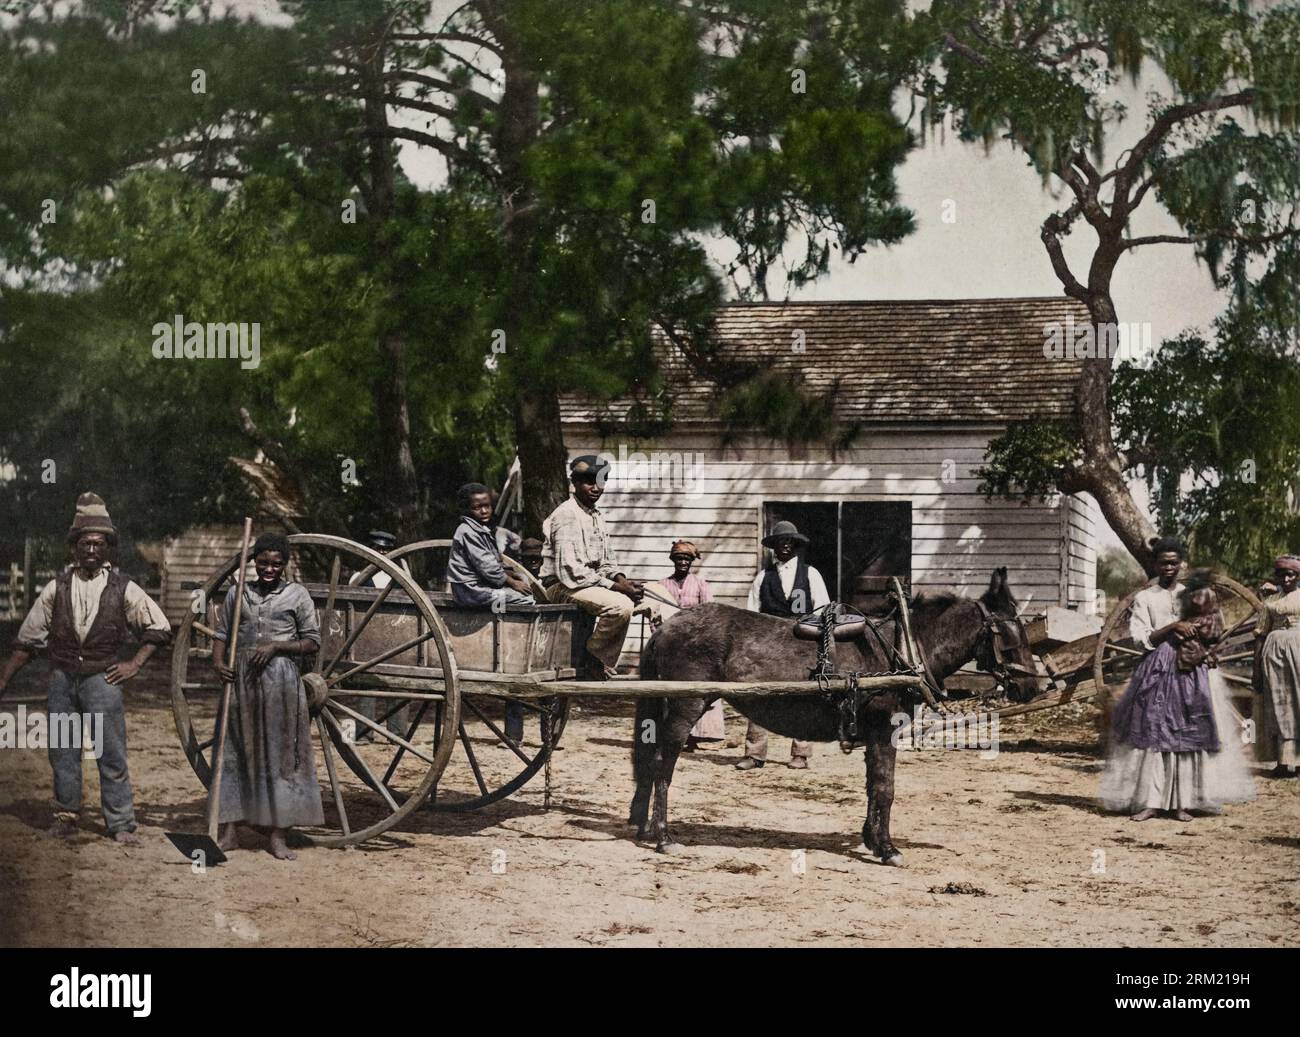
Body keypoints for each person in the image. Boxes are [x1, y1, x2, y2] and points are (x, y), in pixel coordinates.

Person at [0, 493, 171, 842]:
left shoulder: (124, 588)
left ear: (107, 548)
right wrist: (3, 680)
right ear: (74, 548)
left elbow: (160, 628)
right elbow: (27, 641)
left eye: (98, 544)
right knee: (63, 751)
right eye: (84, 544)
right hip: (63, 680)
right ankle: (66, 815)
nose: (91, 550)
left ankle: (121, 824)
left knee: (110, 753)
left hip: (102, 681)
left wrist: (134, 663)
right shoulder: (56, 588)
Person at [1100, 546, 1254, 820]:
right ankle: (1152, 801)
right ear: (1155, 565)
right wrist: (1173, 627)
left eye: (1173, 563)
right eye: (1163, 563)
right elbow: (1142, 637)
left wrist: (1204, 640)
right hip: (1158, 665)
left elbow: (1213, 627)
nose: (1168, 568)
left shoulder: (1194, 593)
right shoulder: (1146, 597)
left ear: (1181, 564)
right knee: (1154, 728)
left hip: (1190, 668)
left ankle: (1183, 801)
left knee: (1186, 728)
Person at [211, 532, 323, 860]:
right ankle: (230, 831)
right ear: (254, 563)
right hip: (242, 680)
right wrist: (218, 662)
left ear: (285, 565)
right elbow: (222, 633)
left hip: (281, 681)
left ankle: (278, 837)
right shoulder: (238, 593)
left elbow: (311, 641)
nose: (269, 569)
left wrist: (276, 646)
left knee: (280, 756)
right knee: (235, 751)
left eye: (276, 564)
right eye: (263, 563)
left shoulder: (297, 595)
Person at [736, 520, 829, 770]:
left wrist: (814, 638)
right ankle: (755, 754)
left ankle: (801, 753)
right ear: (774, 547)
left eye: (789, 542)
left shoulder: (810, 574)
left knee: (804, 698)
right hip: (769, 645)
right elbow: (751, 615)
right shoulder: (762, 578)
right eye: (780, 542)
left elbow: (822, 610)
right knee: (759, 695)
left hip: (803, 643)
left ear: (796, 545)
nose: (785, 546)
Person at [541, 456, 643, 680]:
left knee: (640, 600)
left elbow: (607, 560)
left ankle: (596, 657)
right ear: (575, 483)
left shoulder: (595, 515)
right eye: (589, 481)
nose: (596, 488)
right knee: (620, 607)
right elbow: (570, 572)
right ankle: (591, 658)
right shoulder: (567, 515)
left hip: (583, 584)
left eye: (601, 481)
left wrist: (622, 580)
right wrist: (616, 588)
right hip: (561, 586)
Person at [448, 482, 536, 739]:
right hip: (471, 591)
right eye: (477, 507)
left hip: (481, 587)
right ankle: (510, 644)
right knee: (524, 601)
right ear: (467, 510)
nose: (484, 510)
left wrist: (514, 575)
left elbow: (494, 563)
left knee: (524, 588)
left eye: (486, 505)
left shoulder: (481, 529)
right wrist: (510, 581)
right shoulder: (467, 531)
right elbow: (487, 568)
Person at [656, 540, 724, 749]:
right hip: (670, 645)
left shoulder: (701, 584)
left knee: (697, 687)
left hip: (695, 646)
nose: (682, 562)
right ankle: (673, 735)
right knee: (670, 690)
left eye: (686, 558)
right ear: (673, 560)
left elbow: (710, 614)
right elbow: (656, 616)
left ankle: (697, 735)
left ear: (692, 561)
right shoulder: (662, 585)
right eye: (679, 558)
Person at [350, 529, 406, 743]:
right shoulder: (358, 577)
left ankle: (397, 733)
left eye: (386, 549)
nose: (381, 553)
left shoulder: (400, 576)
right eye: (377, 549)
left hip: (397, 636)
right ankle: (364, 734)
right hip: (367, 637)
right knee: (366, 683)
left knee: (400, 681)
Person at [1254, 554, 1300, 778]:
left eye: (1291, 573)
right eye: (1282, 574)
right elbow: (1260, 635)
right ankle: (1283, 762)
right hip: (1275, 656)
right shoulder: (1270, 602)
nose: (1287, 578)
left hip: (1299, 652)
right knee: (1280, 705)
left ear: (1298, 575)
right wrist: (1256, 670)